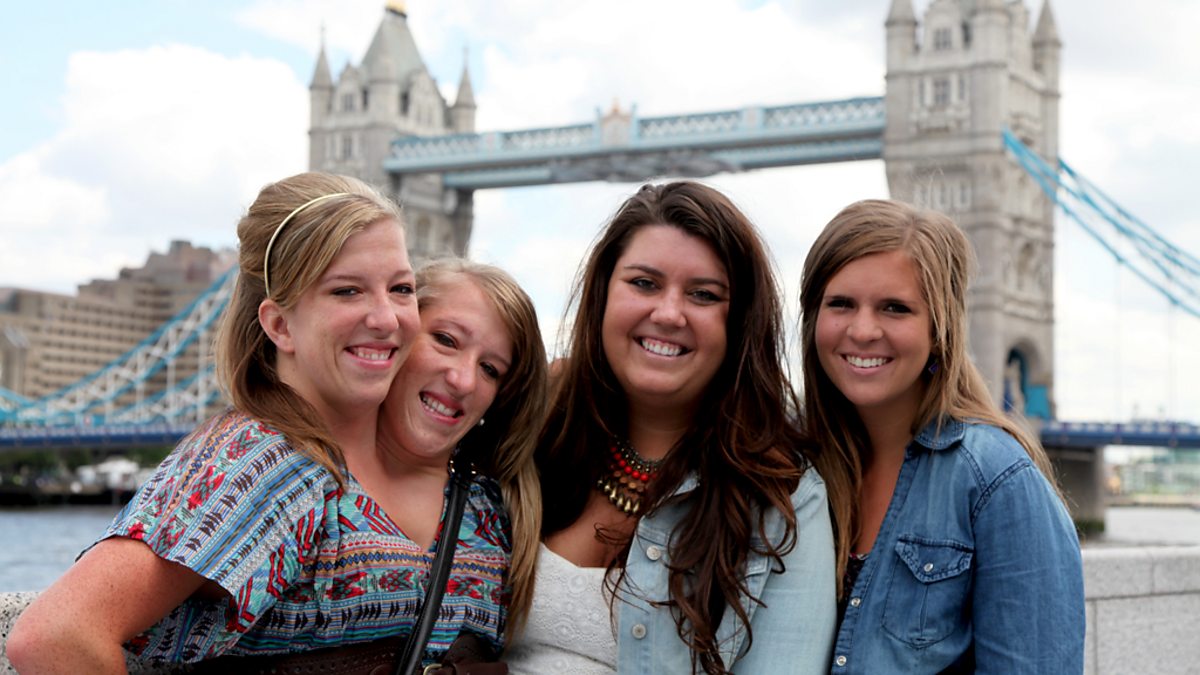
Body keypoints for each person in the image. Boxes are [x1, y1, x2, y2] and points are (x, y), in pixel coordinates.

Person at [8, 175, 543, 672]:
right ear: (280, 325)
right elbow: (55, 635)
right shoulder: (263, 460)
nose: (385, 318)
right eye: (346, 291)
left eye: (401, 289)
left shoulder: (476, 498)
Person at [506, 181, 841, 674]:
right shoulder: (529, 437)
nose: (667, 313)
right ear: (602, 295)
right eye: (643, 283)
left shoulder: (785, 498)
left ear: (739, 324)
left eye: (703, 295)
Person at [798, 199, 1084, 673]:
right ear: (813, 319)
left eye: (895, 308)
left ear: (939, 330)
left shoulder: (997, 480)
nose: (862, 329)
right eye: (841, 304)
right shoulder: (796, 467)